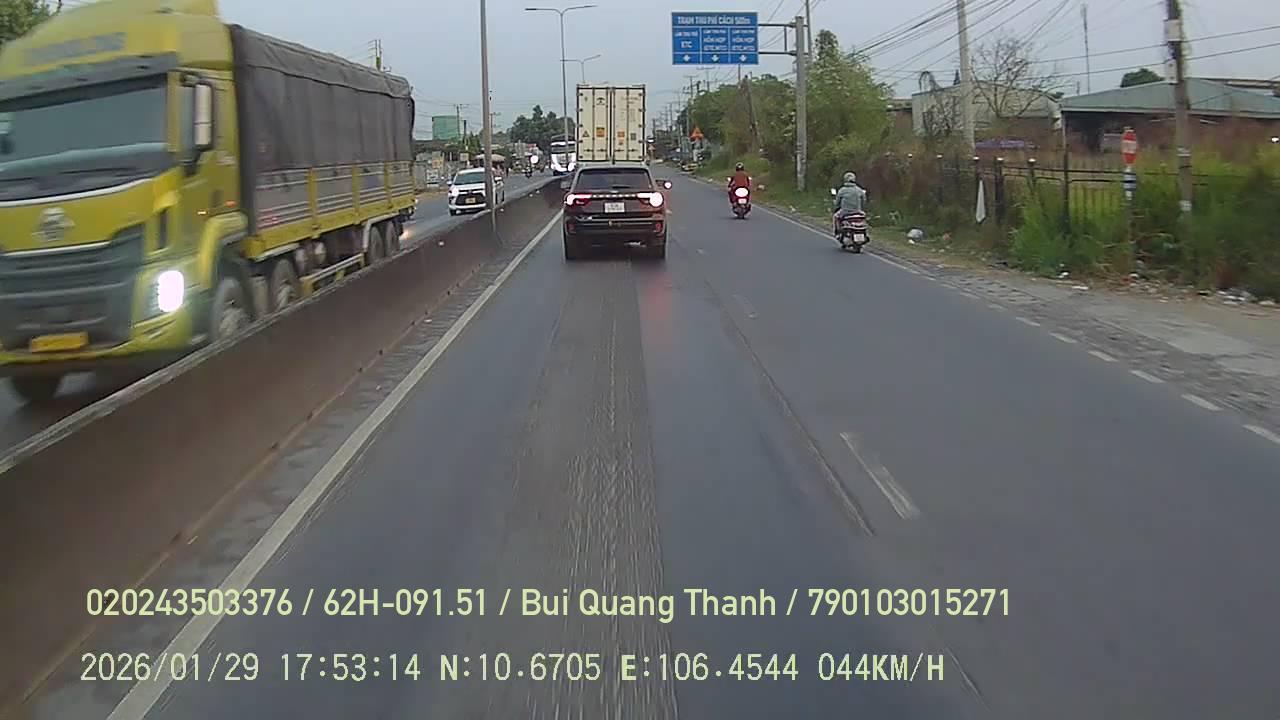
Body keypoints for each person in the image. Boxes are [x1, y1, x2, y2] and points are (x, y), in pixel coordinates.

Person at [832, 171, 868, 235]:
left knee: (835, 217)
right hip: (857, 211)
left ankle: (837, 232)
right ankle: (866, 233)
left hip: (845, 212)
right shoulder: (859, 190)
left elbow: (837, 203)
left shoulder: (842, 190)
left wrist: (836, 205)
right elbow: (864, 201)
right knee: (864, 218)